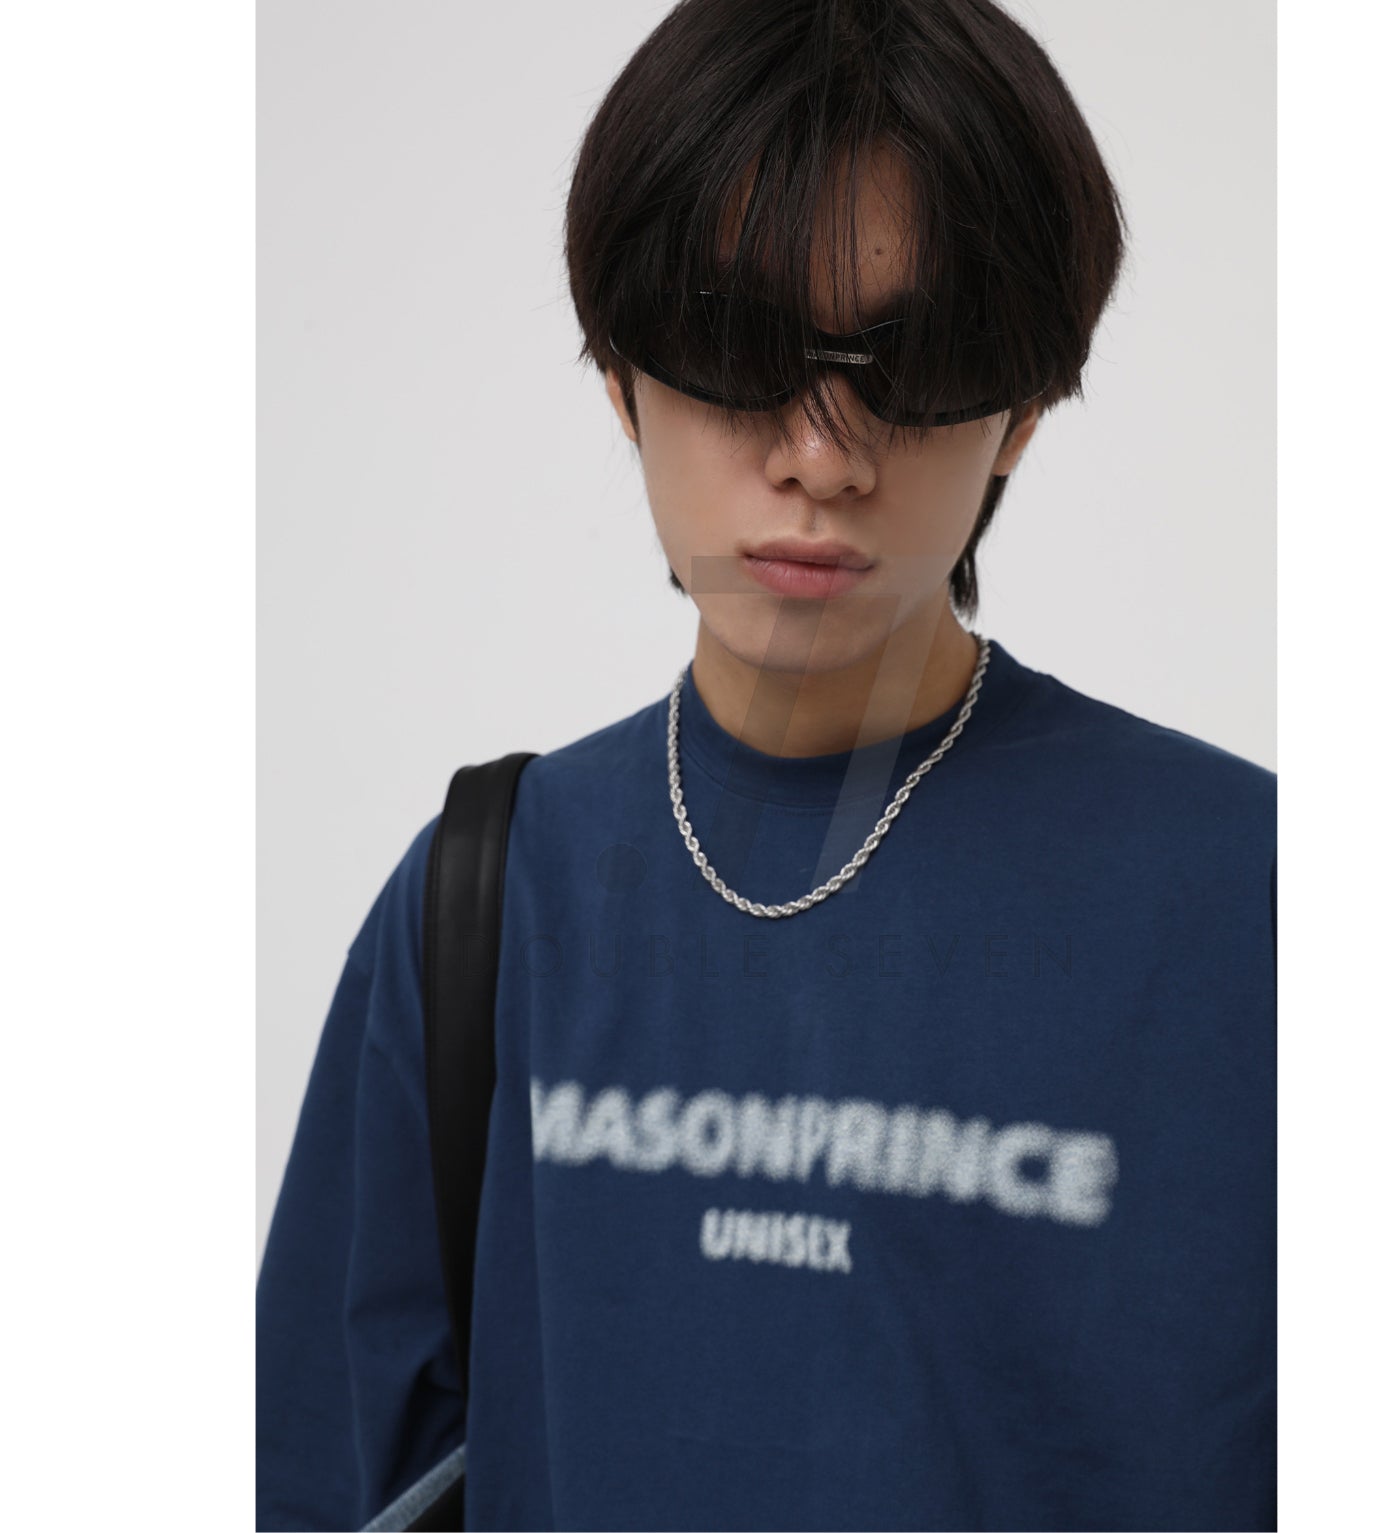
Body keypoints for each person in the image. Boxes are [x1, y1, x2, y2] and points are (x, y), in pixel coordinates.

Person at [257, 1, 1276, 1528]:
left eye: (915, 361)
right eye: (737, 347)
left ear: (1021, 412)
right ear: (620, 377)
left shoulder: (1251, 901)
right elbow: (326, 1479)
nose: (820, 455)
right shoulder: (487, 901)